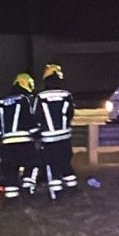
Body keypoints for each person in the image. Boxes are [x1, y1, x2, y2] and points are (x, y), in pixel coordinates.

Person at [29, 64, 76, 195]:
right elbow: (70, 114)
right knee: (66, 163)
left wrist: (37, 133)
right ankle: (72, 189)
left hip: (48, 138)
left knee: (53, 164)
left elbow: (35, 115)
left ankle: (56, 194)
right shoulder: (67, 95)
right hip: (65, 137)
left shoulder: (40, 96)